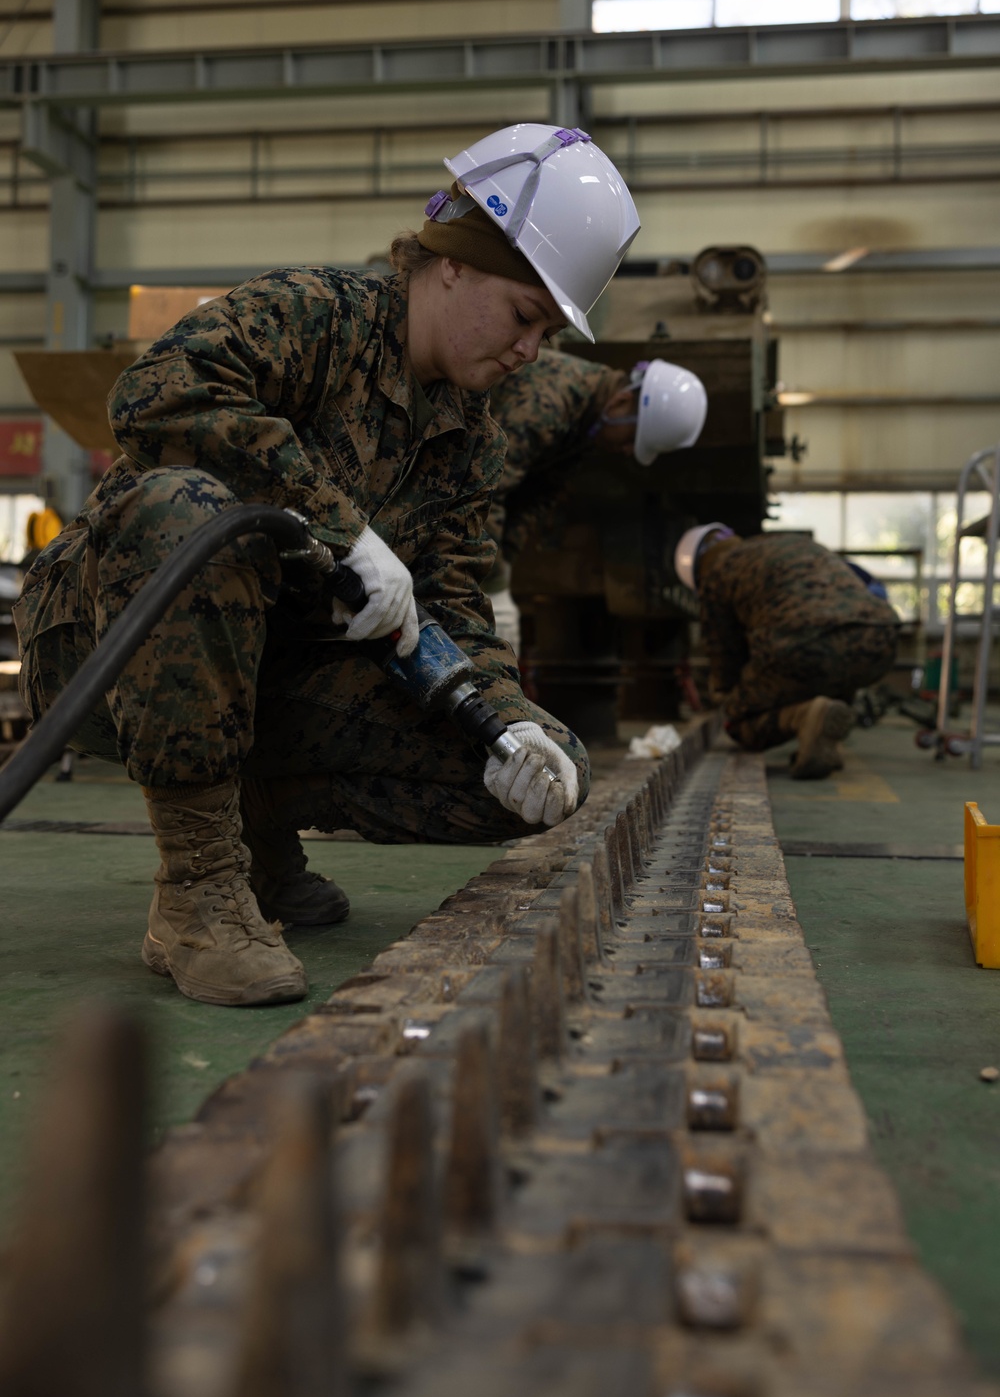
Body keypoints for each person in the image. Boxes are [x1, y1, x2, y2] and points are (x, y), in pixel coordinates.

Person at [14, 122, 640, 1008]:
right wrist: (338, 528)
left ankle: (260, 834)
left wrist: (509, 723)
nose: (530, 352)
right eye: (525, 317)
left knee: (538, 775)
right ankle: (197, 892)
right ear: (454, 261)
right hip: (105, 643)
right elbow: (151, 394)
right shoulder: (319, 315)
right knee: (192, 514)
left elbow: (455, 601)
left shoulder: (472, 435)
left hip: (272, 673)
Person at [485, 352, 708, 652]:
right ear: (620, 403)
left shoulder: (585, 424)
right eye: (632, 439)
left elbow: (537, 496)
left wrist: (505, 560)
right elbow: (487, 490)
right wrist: (495, 586)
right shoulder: (547, 403)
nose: (628, 451)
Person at [674, 524, 899, 779]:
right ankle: (824, 734)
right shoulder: (789, 542)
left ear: (696, 572)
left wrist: (732, 697)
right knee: (820, 673)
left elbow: (724, 655)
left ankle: (804, 716)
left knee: (737, 718)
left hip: (804, 645)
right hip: (882, 639)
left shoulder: (716, 574)